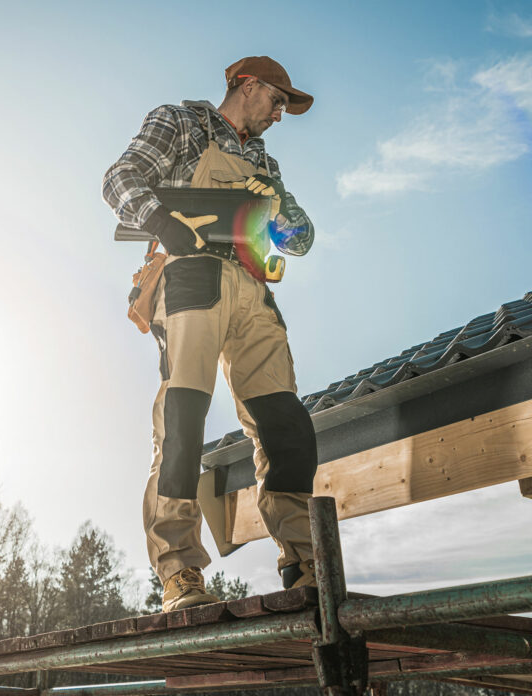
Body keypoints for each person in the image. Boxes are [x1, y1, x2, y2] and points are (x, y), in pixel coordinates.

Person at [102, 56, 319, 612]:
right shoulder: (181, 122)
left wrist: (286, 214)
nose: (280, 113)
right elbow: (120, 178)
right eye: (277, 100)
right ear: (248, 86)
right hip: (191, 276)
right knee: (183, 422)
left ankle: (305, 564)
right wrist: (161, 222)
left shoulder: (264, 160)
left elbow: (298, 239)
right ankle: (180, 574)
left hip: (253, 288)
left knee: (285, 425)